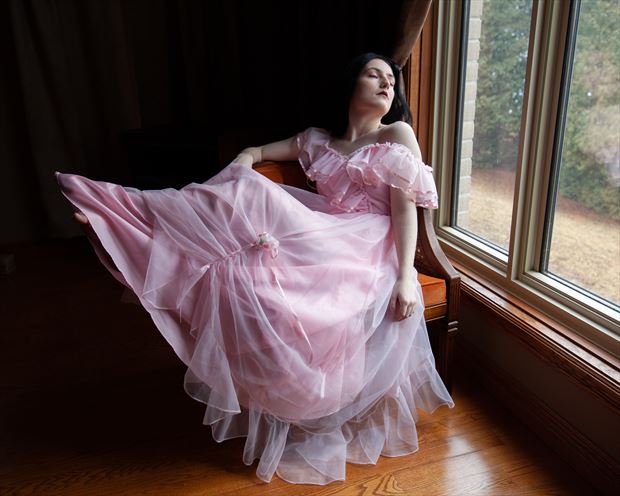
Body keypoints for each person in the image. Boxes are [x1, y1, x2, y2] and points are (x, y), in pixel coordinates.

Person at [56, 52, 454, 485]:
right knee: (242, 243)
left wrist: (404, 277)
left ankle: (120, 219)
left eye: (391, 80)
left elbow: (405, 210)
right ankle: (124, 221)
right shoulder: (317, 140)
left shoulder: (396, 133)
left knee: (253, 201)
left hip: (366, 246)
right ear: (349, 85)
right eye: (374, 75)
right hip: (321, 236)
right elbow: (258, 151)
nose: (386, 84)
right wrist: (244, 160)